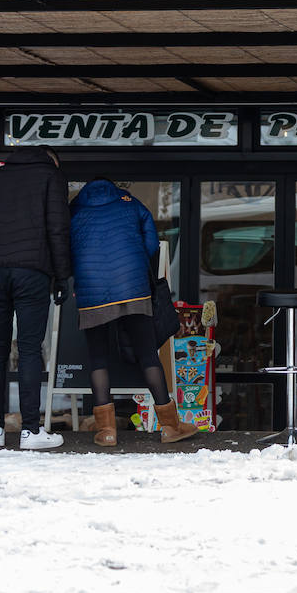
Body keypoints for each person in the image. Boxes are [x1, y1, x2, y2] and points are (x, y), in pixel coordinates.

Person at [70, 177, 196, 446]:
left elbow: (66, 249)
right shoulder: (131, 204)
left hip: (92, 290)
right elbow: (151, 245)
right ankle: (170, 426)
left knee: (98, 359)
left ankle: (106, 432)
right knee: (147, 354)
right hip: (134, 287)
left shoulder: (75, 209)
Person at [0, 145, 71, 450]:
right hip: (32, 271)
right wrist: (61, 276)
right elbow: (58, 229)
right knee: (29, 349)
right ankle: (30, 431)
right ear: (51, 160)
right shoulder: (51, 177)